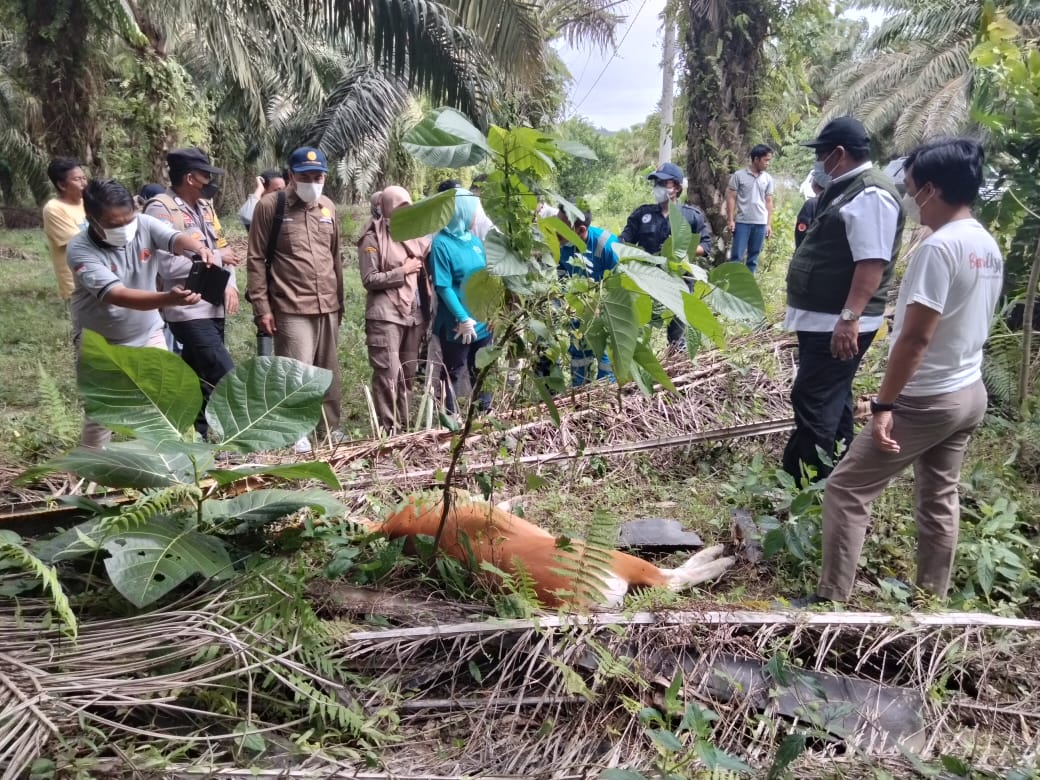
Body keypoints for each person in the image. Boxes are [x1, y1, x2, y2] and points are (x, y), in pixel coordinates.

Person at [793, 138, 1003, 607]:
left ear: (931, 189)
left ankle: (830, 601)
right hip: (968, 391)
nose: (910, 201)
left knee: (847, 488)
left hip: (927, 397)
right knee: (938, 497)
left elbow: (915, 338)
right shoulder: (984, 245)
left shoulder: (940, 248)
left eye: (911, 189)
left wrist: (885, 405)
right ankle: (931, 601)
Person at [782, 116, 905, 482]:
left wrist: (849, 317)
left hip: (838, 322)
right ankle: (836, 471)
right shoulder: (849, 188)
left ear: (838, 154)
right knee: (832, 397)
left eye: (820, 154)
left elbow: (872, 261)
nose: (817, 163)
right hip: (825, 320)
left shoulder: (871, 194)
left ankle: (811, 484)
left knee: (813, 399)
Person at [67, 179, 215, 448]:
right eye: (114, 224)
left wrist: (198, 248)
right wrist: (168, 298)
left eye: (128, 220)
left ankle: (166, 466)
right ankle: (92, 472)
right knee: (103, 411)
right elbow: (117, 295)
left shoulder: (144, 225)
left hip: (148, 333)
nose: (124, 228)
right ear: (92, 219)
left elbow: (173, 238)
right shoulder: (79, 250)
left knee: (166, 402)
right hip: (101, 343)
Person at [246, 147, 345, 453]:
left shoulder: (327, 207)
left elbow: (335, 258)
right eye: (305, 177)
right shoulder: (269, 207)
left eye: (318, 177)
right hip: (290, 306)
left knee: (328, 374)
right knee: (295, 373)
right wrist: (262, 307)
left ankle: (330, 428)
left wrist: (340, 302)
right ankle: (294, 431)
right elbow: (256, 259)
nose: (312, 182)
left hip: (327, 304)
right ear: (291, 176)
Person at [144, 147, 239, 439]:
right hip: (185, 306)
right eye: (205, 174)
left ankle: (194, 435)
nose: (210, 180)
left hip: (214, 303)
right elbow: (168, 263)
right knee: (224, 371)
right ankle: (245, 434)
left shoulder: (206, 207)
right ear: (190, 177)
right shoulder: (160, 209)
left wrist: (230, 283)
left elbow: (227, 251)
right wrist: (213, 256)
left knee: (199, 374)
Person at [358, 186, 431, 434]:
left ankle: (405, 425)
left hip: (413, 314)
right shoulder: (373, 237)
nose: (404, 212)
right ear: (387, 207)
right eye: (399, 207)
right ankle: (388, 429)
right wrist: (404, 271)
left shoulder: (417, 236)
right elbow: (370, 278)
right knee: (388, 373)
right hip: (385, 314)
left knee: (408, 373)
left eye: (408, 207)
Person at [620, 162, 712, 351]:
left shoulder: (691, 216)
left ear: (676, 187)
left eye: (663, 183)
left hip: (678, 281)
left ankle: (676, 368)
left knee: (677, 335)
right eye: (656, 183)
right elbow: (624, 240)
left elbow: (706, 245)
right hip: (646, 280)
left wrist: (682, 249)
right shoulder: (642, 214)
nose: (658, 188)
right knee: (638, 328)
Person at [430, 189, 491, 414]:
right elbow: (443, 286)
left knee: (482, 370)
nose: (477, 215)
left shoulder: (474, 241)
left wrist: (491, 313)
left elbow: (486, 278)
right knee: (453, 372)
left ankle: (485, 414)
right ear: (461, 211)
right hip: (457, 324)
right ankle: (451, 419)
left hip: (483, 322)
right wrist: (463, 317)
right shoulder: (441, 244)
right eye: (474, 209)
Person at [558, 207, 619, 385]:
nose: (555, 230)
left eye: (561, 226)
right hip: (577, 309)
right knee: (578, 352)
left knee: (605, 353)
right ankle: (578, 393)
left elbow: (620, 285)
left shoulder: (607, 246)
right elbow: (562, 274)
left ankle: (605, 394)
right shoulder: (562, 245)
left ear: (581, 230)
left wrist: (601, 308)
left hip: (605, 312)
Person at [41, 157, 88, 303]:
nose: (84, 183)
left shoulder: (89, 201)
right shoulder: (54, 209)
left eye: (84, 178)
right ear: (62, 185)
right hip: (77, 284)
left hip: (99, 279)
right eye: (77, 179)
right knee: (87, 325)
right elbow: (79, 243)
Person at [726, 144, 775, 272]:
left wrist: (768, 224)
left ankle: (748, 287)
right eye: (766, 160)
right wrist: (730, 220)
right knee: (736, 257)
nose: (767, 163)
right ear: (756, 159)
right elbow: (731, 197)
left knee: (753, 259)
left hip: (760, 223)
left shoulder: (768, 179)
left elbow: (769, 201)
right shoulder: (739, 175)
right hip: (743, 222)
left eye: (769, 160)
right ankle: (733, 285)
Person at [794, 169, 827, 249]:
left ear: (814, 184)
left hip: (809, 250)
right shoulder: (834, 202)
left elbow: (801, 231)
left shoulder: (811, 204)